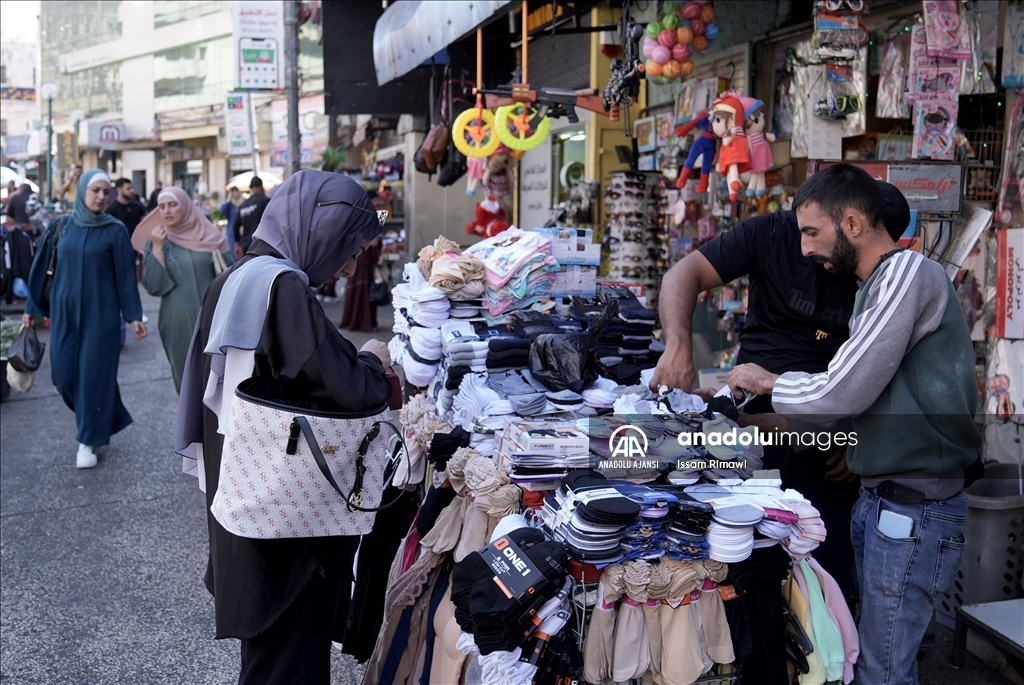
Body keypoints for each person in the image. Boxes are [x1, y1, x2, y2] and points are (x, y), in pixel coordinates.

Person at [724, 163, 981, 685]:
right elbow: (853, 402)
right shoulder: (877, 287)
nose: (804, 249)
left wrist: (767, 380)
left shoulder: (907, 276)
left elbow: (842, 388)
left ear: (854, 224)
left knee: (884, 670)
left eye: (812, 232)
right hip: (889, 504)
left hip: (913, 508)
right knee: (870, 657)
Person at [174, 170, 393, 684]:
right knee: (290, 652)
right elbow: (344, 387)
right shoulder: (283, 287)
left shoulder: (236, 277)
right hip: (287, 507)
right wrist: (372, 362)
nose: (351, 260)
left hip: (243, 493)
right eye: (349, 244)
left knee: (270, 651)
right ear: (322, 230)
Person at [650, 178, 911, 598]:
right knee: (738, 568)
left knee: (825, 579)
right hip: (748, 432)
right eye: (808, 233)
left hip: (827, 443)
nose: (810, 247)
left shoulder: (883, 275)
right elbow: (686, 272)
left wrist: (859, 434)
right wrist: (678, 344)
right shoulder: (773, 233)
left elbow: (888, 367)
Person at [22, 169, 147, 469]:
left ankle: (88, 440)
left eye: (106, 192)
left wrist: (133, 315)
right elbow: (41, 267)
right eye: (95, 190)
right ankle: (103, 415)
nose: (101, 197)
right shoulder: (61, 226)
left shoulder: (115, 230)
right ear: (81, 191)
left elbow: (125, 276)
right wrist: (31, 307)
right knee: (63, 376)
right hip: (63, 314)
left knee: (93, 377)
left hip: (101, 315)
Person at [134, 186, 232, 393]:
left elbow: (234, 274)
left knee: (219, 381)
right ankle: (191, 425)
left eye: (172, 205)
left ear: (186, 207)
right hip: (176, 323)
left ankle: (216, 425)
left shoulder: (209, 237)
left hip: (214, 320)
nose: (167, 211)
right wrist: (158, 248)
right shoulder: (157, 242)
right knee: (187, 381)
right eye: (161, 207)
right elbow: (153, 286)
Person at [340, 234, 382, 332]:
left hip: (360, 261)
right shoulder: (369, 227)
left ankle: (356, 321)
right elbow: (374, 243)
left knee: (360, 291)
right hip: (363, 263)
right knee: (362, 292)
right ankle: (362, 322)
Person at [235, 176, 269, 259]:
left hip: (246, 246)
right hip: (262, 244)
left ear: (251, 188)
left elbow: (235, 226)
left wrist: (237, 244)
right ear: (261, 187)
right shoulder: (265, 201)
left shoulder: (243, 205)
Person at [219, 185, 243, 255]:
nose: (235, 194)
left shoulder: (244, 202)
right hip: (232, 232)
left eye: (236, 192)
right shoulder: (229, 204)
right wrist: (228, 200)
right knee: (234, 252)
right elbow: (222, 211)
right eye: (233, 192)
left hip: (243, 232)